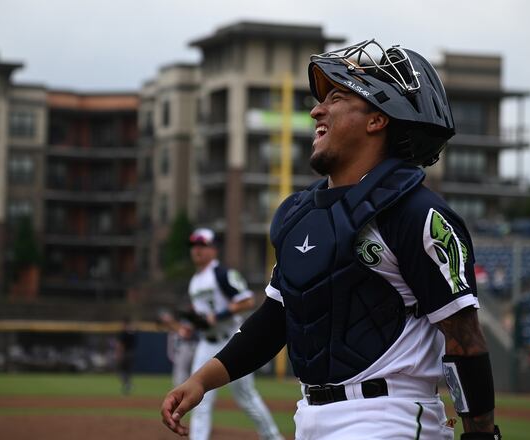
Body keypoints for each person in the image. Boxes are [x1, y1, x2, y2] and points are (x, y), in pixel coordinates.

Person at [162, 40, 500, 439]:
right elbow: (274, 320)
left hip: (389, 416)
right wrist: (200, 381)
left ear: (378, 120)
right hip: (310, 416)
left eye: (337, 97)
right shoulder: (299, 215)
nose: (316, 110)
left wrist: (480, 434)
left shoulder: (418, 214)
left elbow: (463, 339)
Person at [177, 227, 283, 440]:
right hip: (206, 343)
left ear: (213, 249)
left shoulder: (222, 274)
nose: (196, 250)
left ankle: (273, 437)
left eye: (202, 245)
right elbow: (204, 317)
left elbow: (247, 301)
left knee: (247, 398)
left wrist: (218, 315)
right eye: (194, 246)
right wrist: (193, 326)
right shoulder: (195, 281)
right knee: (200, 396)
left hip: (231, 342)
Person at [159, 310, 199, 387]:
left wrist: (171, 321)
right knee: (181, 377)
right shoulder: (175, 328)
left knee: (186, 375)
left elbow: (186, 332)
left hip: (189, 348)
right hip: (183, 350)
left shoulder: (187, 322)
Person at [115, 317, 138, 395]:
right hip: (132, 353)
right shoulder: (132, 332)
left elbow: (121, 345)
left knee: (120, 371)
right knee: (128, 371)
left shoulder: (124, 332)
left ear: (124, 323)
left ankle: (127, 384)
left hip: (125, 353)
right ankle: (128, 385)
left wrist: (119, 353)